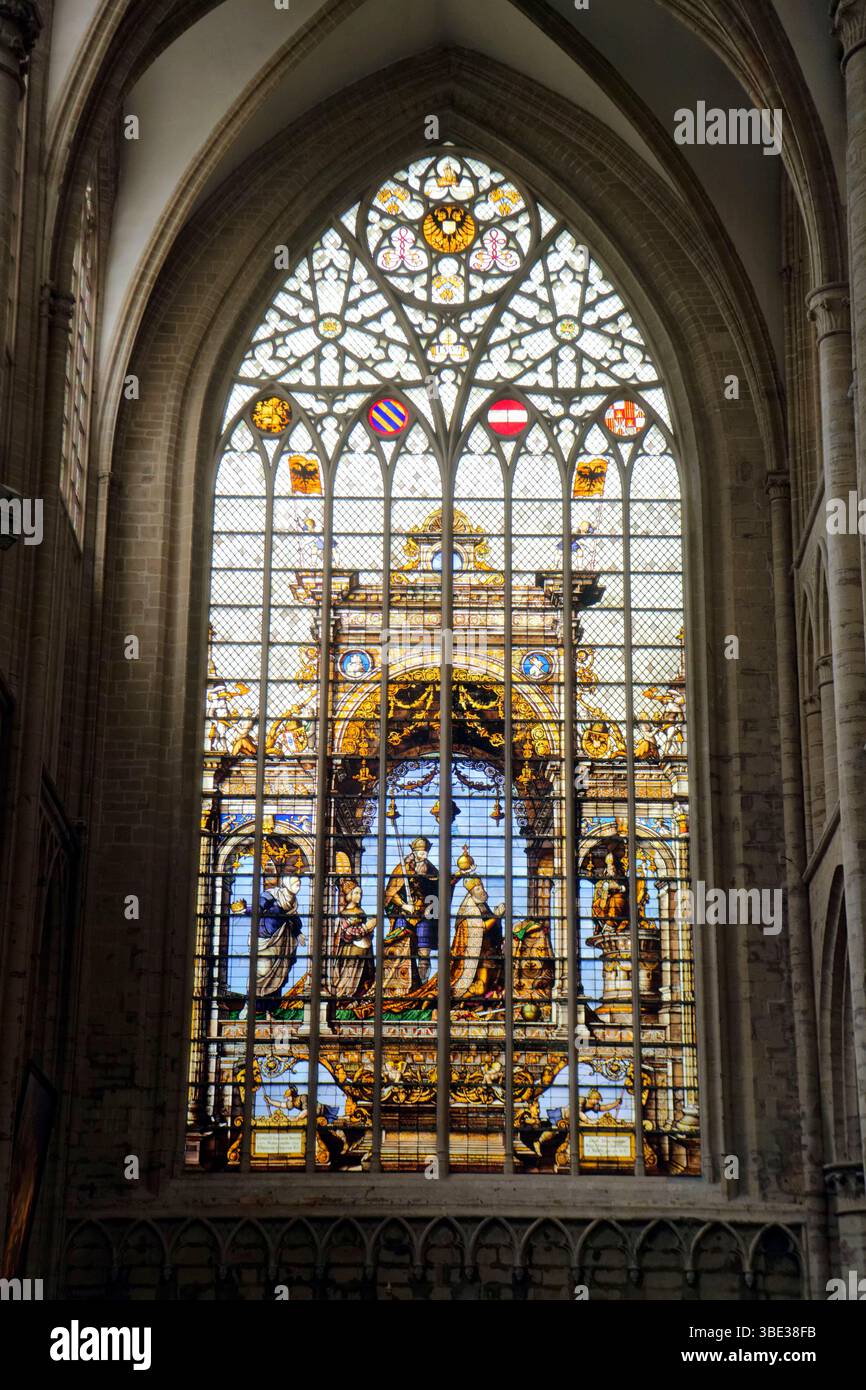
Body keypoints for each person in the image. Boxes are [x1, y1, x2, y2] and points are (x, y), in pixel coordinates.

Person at [254, 873, 304, 1016]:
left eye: (299, 882)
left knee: (279, 975)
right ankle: (253, 1008)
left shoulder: (293, 901)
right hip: (266, 940)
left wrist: (298, 932)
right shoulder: (271, 895)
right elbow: (258, 908)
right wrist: (245, 910)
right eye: (295, 882)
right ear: (286, 883)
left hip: (283, 943)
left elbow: (293, 919)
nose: (298, 885)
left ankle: (270, 1010)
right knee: (263, 971)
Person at [450, 875, 505, 999]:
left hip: (490, 952)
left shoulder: (483, 905)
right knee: (480, 988)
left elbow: (493, 929)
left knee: (494, 985)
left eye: (482, 887)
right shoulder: (469, 908)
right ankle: (453, 1001)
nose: (482, 890)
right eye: (478, 889)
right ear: (471, 892)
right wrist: (496, 916)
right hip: (476, 955)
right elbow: (480, 929)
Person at [330, 878, 375, 1000]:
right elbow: (349, 933)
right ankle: (345, 999)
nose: (359, 895)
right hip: (352, 951)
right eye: (356, 893)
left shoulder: (361, 910)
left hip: (366, 949)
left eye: (360, 893)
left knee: (366, 977)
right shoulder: (345, 913)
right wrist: (367, 927)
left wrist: (370, 929)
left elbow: (367, 932)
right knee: (350, 978)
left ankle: (360, 1000)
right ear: (349, 895)